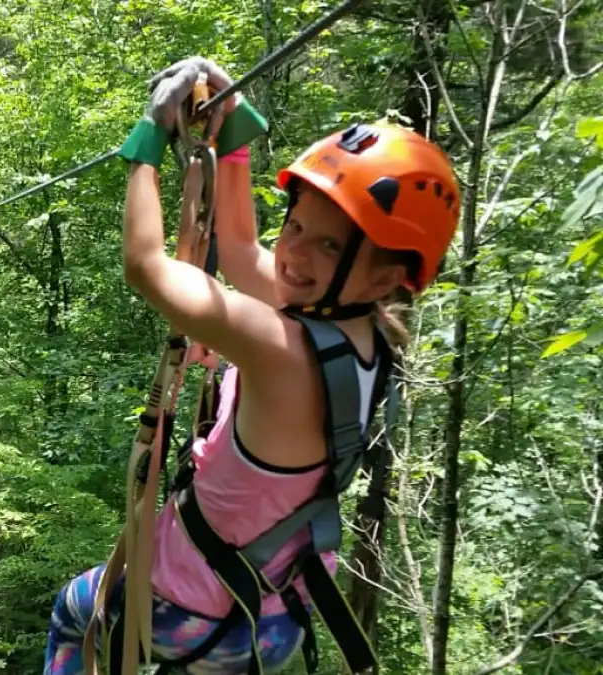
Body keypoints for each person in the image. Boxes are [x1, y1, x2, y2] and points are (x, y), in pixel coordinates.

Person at [43, 56, 461, 674]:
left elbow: (145, 267)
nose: (291, 252)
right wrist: (231, 137)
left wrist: (149, 138)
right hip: (272, 613)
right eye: (294, 226)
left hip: (190, 608)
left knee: (74, 612)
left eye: (327, 244)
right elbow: (240, 253)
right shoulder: (362, 335)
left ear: (389, 276)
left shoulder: (280, 346)